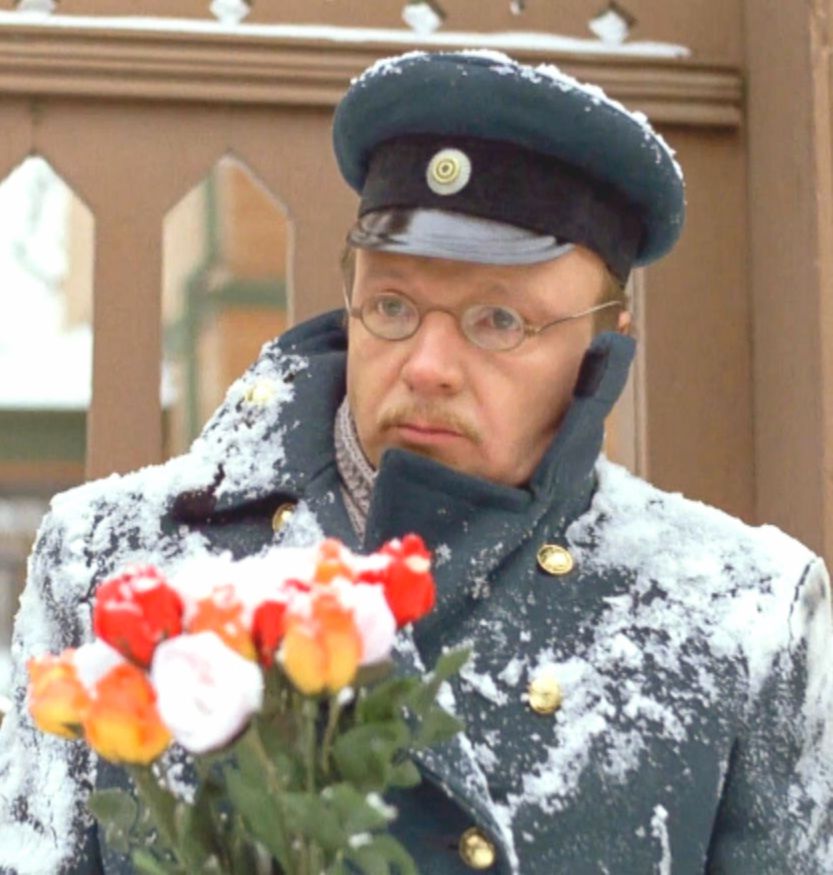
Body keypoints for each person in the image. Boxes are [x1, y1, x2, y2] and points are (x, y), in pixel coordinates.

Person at [0, 49, 831, 874]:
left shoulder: (736, 616)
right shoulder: (112, 561)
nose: (427, 365)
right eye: (392, 304)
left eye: (498, 320)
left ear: (604, 344)